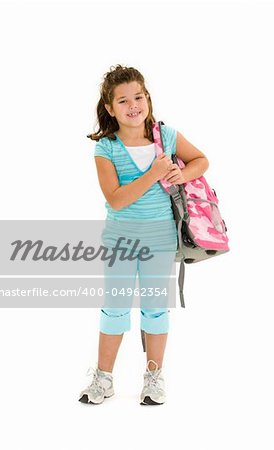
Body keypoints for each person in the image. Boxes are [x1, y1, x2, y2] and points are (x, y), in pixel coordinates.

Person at [79, 64, 209, 405]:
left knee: (154, 308)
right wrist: (155, 172)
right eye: (123, 101)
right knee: (115, 308)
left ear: (147, 99)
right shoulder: (105, 149)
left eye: (138, 96)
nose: (133, 105)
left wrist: (182, 175)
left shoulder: (166, 136)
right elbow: (117, 199)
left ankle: (153, 377)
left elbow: (200, 160)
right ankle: (103, 378)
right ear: (110, 109)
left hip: (160, 240)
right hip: (120, 241)